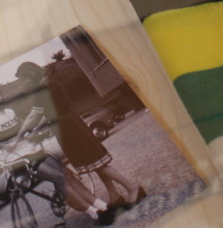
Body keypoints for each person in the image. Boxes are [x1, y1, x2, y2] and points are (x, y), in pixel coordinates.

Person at [14, 61, 143, 223]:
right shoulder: (47, 83)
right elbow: (48, 114)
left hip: (69, 128)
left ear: (30, 74)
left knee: (98, 163)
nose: (23, 83)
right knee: (95, 164)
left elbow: (34, 116)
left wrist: (17, 138)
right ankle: (114, 195)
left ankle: (133, 188)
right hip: (69, 125)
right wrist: (33, 132)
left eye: (23, 79)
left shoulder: (43, 87)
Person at [0, 86, 67, 208]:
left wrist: (33, 133)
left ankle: (69, 199)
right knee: (59, 177)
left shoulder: (10, 112)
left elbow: (23, 128)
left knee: (63, 173)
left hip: (29, 150)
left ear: (1, 96)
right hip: (14, 160)